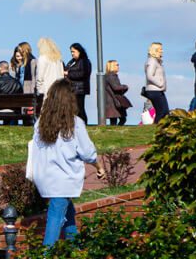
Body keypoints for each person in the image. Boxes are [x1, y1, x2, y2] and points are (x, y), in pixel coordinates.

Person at [29, 80, 105, 246]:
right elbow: (87, 153)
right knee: (54, 221)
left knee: (68, 216)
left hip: (45, 178)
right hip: (63, 179)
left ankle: (76, 250)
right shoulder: (75, 123)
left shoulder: (41, 122)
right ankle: (45, 256)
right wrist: (99, 167)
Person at [65, 43, 93, 123]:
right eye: (71, 52)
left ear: (79, 51)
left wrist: (68, 74)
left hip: (80, 89)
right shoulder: (72, 62)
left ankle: (83, 123)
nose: (72, 53)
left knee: (79, 108)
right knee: (74, 108)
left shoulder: (85, 62)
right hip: (72, 88)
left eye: (73, 51)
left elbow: (83, 74)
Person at [144, 42, 170, 120]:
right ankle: (156, 126)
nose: (162, 51)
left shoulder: (156, 61)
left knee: (164, 111)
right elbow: (149, 75)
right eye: (160, 49)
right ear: (155, 50)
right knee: (162, 111)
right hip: (154, 90)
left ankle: (158, 127)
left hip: (158, 90)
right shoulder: (152, 61)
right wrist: (160, 83)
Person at [102, 60, 131, 126]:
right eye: (116, 65)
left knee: (115, 119)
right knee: (120, 119)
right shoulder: (111, 76)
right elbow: (116, 87)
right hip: (114, 100)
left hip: (111, 100)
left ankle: (114, 131)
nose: (118, 66)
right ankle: (116, 131)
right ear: (112, 66)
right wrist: (125, 86)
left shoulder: (108, 76)